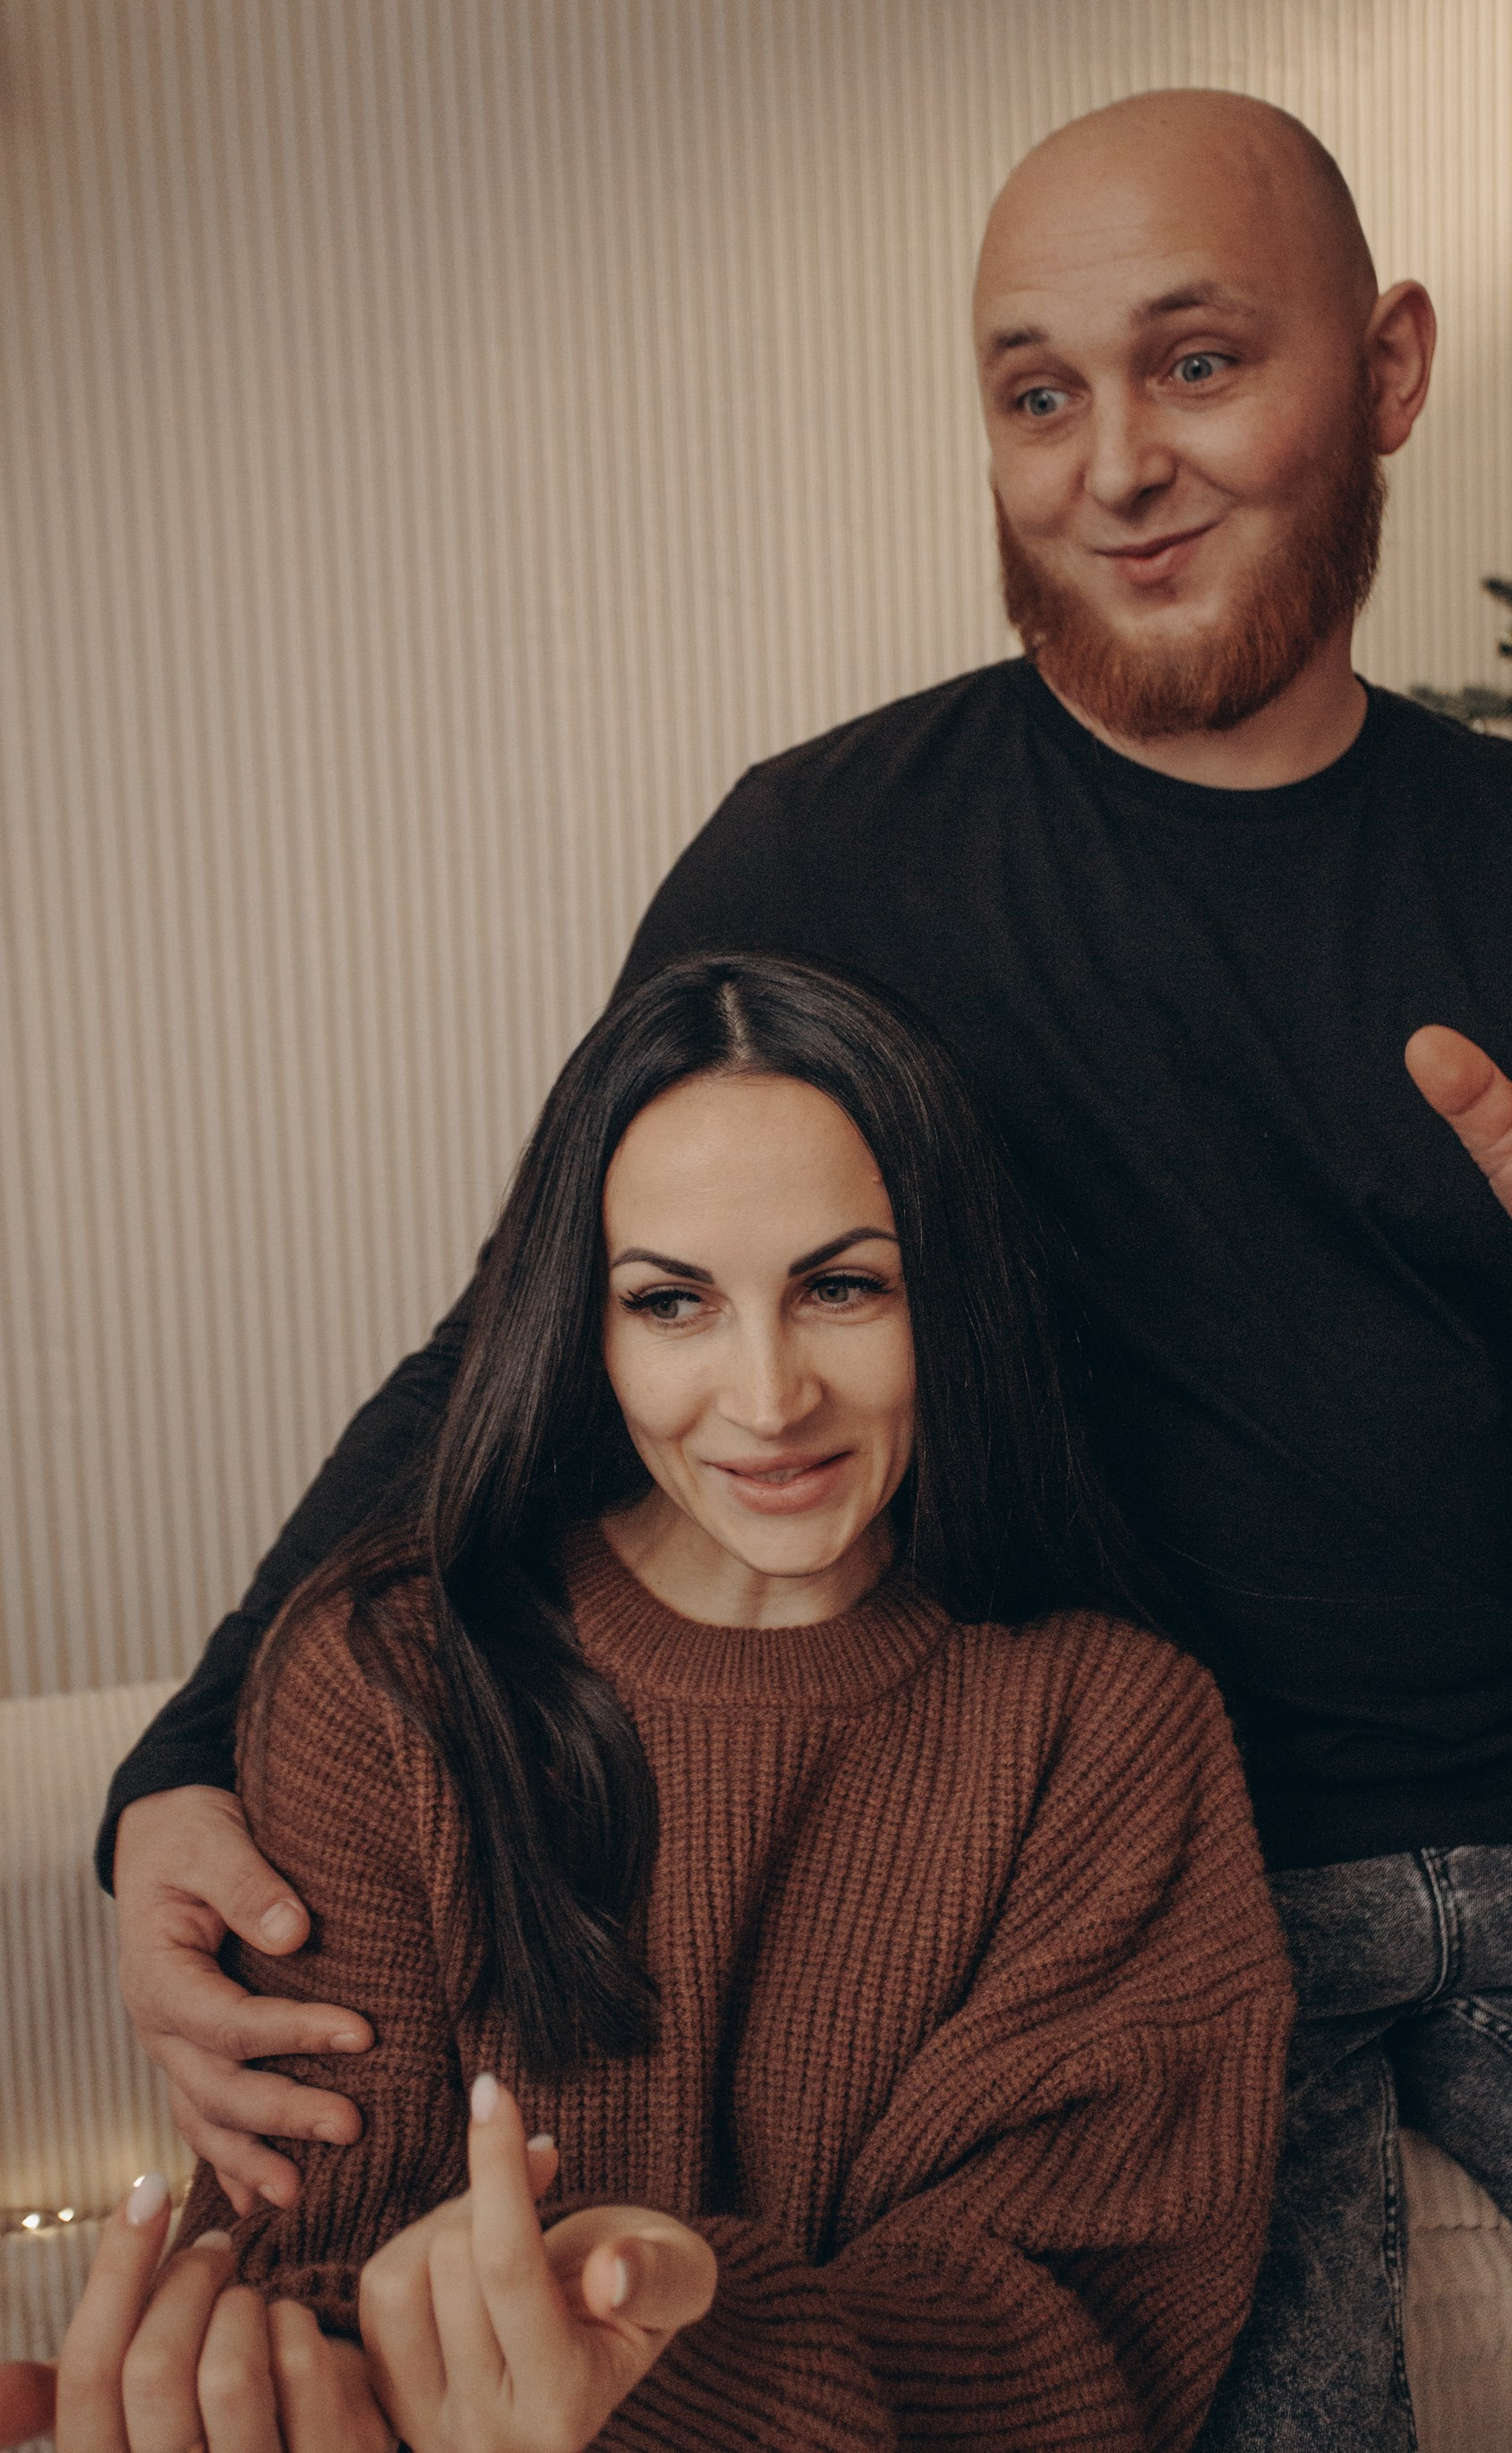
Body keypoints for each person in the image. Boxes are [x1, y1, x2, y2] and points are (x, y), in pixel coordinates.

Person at [100, 87, 1512, 2444]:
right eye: (1037, 393)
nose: (1114, 464)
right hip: (1170, 1879)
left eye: (1197, 363)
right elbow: (526, 1328)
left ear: (1386, 370)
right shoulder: (827, 854)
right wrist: (187, 1753)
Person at [20, 952, 1291, 2453]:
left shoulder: (1112, 1728)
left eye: (842, 1288)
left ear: (953, 1294)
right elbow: (311, 2256)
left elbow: (1074, 2342)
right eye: (673, 1302)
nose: (767, 1399)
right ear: (589, 1327)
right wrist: (319, 2386)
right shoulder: (386, 1677)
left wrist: (667, 2349)